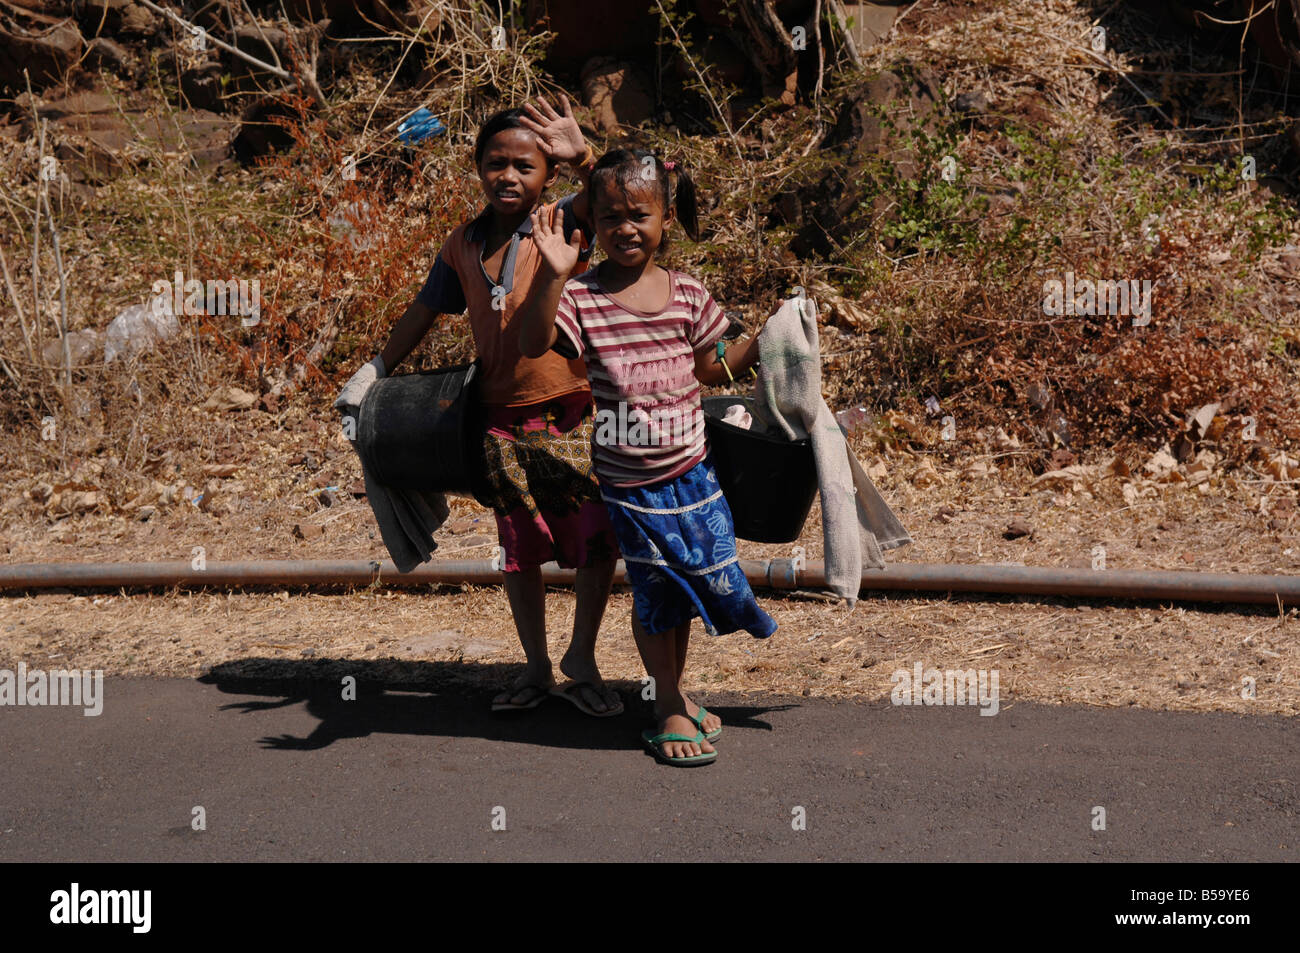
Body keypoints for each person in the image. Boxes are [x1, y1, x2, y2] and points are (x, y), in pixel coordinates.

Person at [341, 97, 623, 717]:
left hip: (575, 410)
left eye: (526, 166)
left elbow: (614, 196)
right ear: (476, 167)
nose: (510, 177)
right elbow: (423, 310)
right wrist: (377, 369)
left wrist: (587, 159)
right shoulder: (461, 244)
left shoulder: (564, 223)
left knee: (595, 542)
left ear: (547, 173)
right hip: (499, 417)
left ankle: (582, 660)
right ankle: (536, 667)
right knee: (520, 548)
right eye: (496, 164)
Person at [518, 149, 777, 766]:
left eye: (640, 213)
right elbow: (532, 343)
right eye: (609, 216)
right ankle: (665, 707)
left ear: (664, 216)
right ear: (593, 225)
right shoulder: (581, 297)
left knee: (691, 588)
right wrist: (551, 273)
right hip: (630, 484)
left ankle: (676, 692)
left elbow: (713, 370)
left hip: (693, 472)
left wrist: (769, 341)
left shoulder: (687, 293)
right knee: (657, 591)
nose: (625, 227)